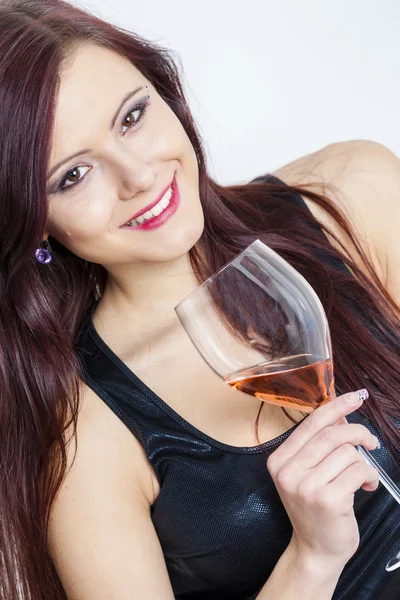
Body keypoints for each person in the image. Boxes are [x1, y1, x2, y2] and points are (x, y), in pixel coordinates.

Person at [0, 1, 399, 599]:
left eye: (132, 117)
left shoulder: (353, 195)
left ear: (167, 95)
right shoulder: (88, 437)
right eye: (73, 176)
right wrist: (312, 558)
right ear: (33, 222)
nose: (137, 176)